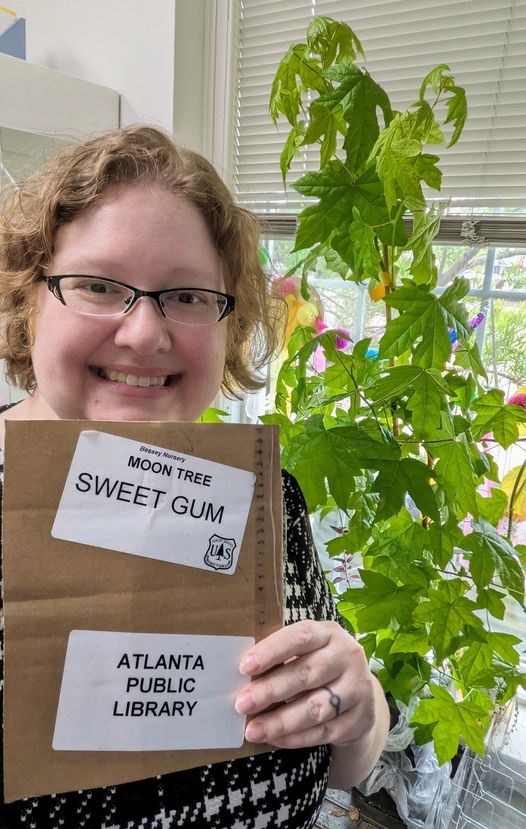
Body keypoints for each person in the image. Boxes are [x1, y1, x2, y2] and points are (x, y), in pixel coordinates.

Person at [0, 126, 389, 828]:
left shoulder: (266, 499)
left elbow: (345, 758)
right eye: (97, 284)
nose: (145, 333)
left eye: (186, 296)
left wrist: (358, 712)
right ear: (30, 296)